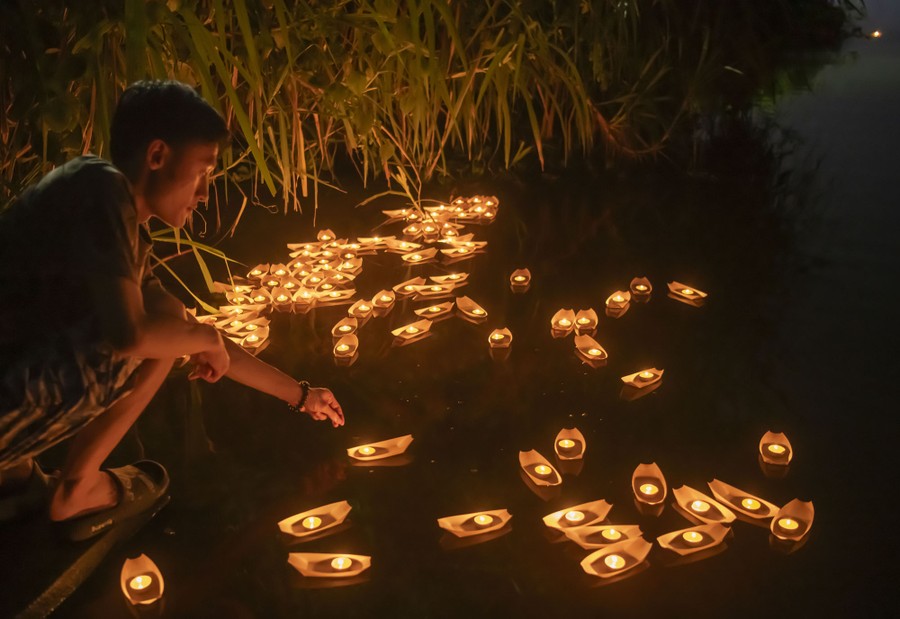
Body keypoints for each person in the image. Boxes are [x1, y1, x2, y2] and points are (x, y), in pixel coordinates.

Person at [0, 80, 344, 541]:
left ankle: (13, 470)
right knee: (160, 331)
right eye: (202, 171)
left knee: (172, 320)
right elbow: (132, 337)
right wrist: (203, 340)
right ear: (157, 155)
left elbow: (188, 329)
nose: (204, 193)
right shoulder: (99, 187)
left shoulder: (112, 221)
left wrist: (302, 396)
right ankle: (78, 486)